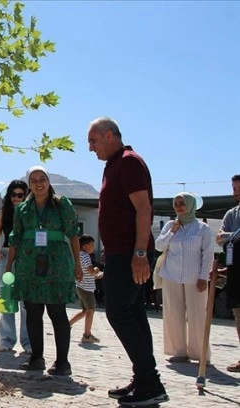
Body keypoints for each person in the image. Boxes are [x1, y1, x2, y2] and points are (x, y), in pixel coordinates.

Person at [88, 116, 168, 405]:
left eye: (93, 140)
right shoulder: (113, 165)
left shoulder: (129, 161)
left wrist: (139, 253)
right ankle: (144, 379)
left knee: (118, 313)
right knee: (133, 314)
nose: (90, 148)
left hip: (131, 254)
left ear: (110, 136)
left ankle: (151, 381)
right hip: (119, 253)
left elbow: (144, 209)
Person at [5, 166, 81, 376]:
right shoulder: (22, 210)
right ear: (29, 185)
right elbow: (15, 239)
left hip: (57, 265)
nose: (39, 183)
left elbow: (73, 234)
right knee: (33, 312)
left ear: (48, 181)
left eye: (43, 179)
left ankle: (62, 362)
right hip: (28, 265)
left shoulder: (61, 204)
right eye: (34, 180)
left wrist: (77, 264)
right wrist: (9, 267)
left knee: (57, 312)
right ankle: (36, 358)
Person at [155, 192, 213, 363]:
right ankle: (178, 351)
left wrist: (204, 277)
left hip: (195, 277)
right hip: (171, 275)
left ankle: (199, 353)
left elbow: (208, 254)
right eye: (175, 203)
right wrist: (172, 231)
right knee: (173, 313)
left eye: (182, 203)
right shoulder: (170, 226)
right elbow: (159, 246)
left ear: (191, 205)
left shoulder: (202, 228)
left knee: (198, 315)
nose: (178, 206)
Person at [0, 179, 31, 354]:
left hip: (24, 258)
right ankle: (6, 340)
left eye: (20, 195)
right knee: (6, 299)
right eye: (13, 195)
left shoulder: (30, 212)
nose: (16, 198)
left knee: (26, 302)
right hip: (6, 256)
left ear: (26, 195)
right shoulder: (4, 212)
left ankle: (28, 342)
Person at [217, 174, 240, 372]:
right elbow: (219, 238)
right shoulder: (231, 214)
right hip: (236, 272)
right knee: (239, 314)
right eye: (234, 189)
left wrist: (230, 237)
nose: (236, 192)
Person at [69, 234, 103, 344]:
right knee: (90, 310)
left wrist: (95, 275)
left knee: (85, 311)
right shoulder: (85, 256)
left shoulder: (79, 255)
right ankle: (87, 335)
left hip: (81, 286)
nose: (93, 247)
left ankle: (67, 325)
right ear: (85, 245)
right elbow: (90, 271)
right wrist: (97, 270)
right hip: (86, 288)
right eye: (91, 245)